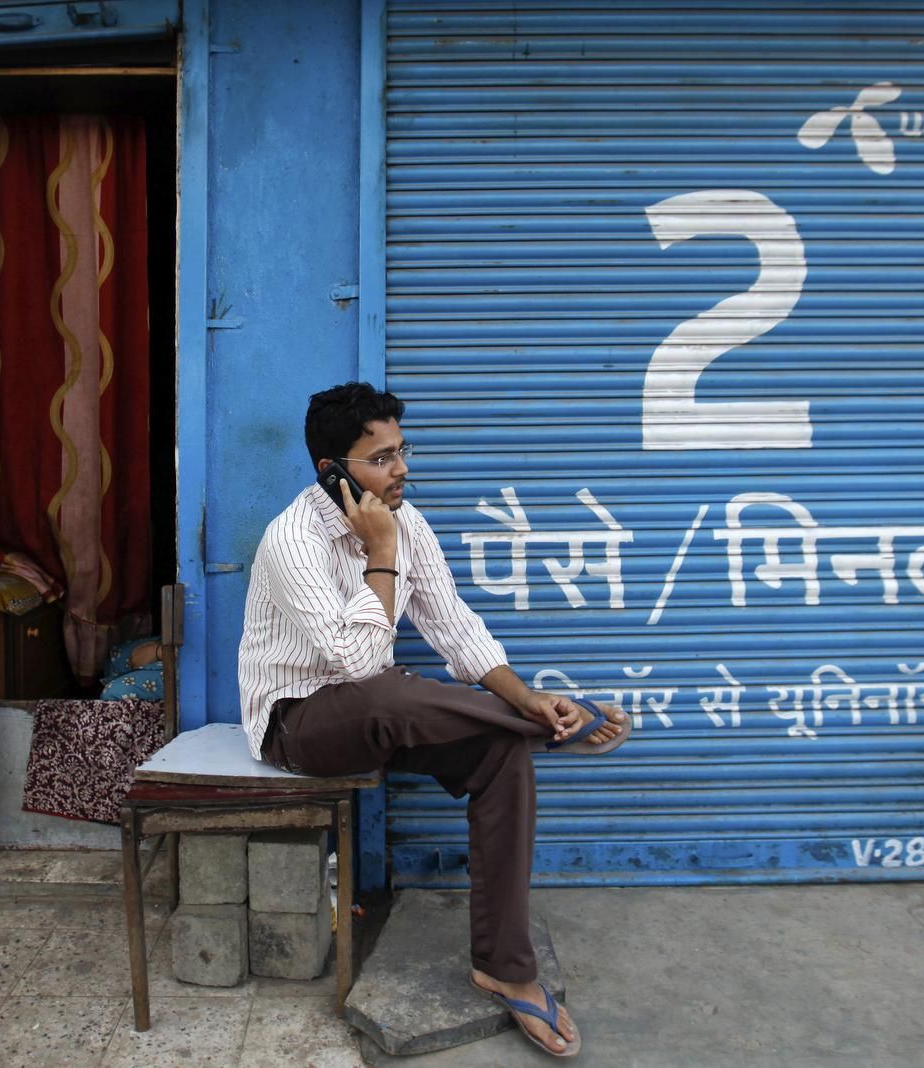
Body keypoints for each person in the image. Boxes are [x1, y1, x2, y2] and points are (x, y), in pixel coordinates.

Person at [238, 382, 630, 1059]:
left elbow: (454, 627)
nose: (401, 469)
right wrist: (381, 553)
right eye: (381, 458)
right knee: (386, 691)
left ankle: (505, 966)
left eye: (402, 451)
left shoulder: (408, 521)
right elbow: (359, 665)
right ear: (331, 470)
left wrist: (523, 694)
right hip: (297, 723)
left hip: (383, 710)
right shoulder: (292, 539)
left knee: (499, 755)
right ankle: (540, 728)